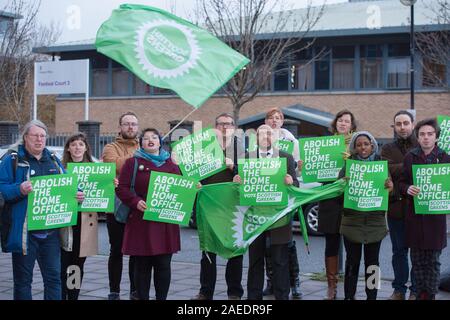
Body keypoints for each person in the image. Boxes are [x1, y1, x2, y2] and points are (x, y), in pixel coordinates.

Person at [0, 120, 84, 300]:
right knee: (23, 281)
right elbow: (2, 189)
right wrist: (19, 189)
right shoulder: (12, 159)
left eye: (42, 136)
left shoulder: (53, 159)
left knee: (54, 279)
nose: (39, 139)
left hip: (51, 234)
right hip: (25, 233)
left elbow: (69, 184)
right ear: (25, 138)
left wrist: (77, 194)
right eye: (35, 136)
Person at [234, 124, 299, 300]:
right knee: (255, 262)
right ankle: (253, 299)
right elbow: (237, 192)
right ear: (256, 138)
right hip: (254, 218)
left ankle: (282, 296)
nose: (266, 136)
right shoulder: (246, 159)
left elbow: (297, 188)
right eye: (262, 133)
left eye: (270, 133)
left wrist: (291, 181)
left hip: (279, 217)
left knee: (280, 261)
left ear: (275, 137)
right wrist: (236, 181)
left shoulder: (286, 157)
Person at [117, 128, 181, 300]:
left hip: (165, 221)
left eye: (154, 137)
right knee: (142, 265)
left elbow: (182, 187)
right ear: (141, 143)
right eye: (146, 138)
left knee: (163, 265)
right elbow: (121, 188)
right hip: (141, 220)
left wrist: (193, 187)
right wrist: (135, 201)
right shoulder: (132, 163)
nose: (150, 140)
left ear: (160, 142)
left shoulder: (172, 164)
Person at [192, 113, 245, 300]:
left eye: (229, 124)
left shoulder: (241, 150)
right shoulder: (204, 149)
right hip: (209, 205)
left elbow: (250, 174)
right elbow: (191, 172)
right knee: (208, 250)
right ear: (215, 127)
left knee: (235, 250)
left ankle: (234, 293)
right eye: (221, 124)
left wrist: (234, 169)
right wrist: (195, 182)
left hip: (233, 207)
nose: (225, 127)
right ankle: (205, 292)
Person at [399, 118, 449, 300]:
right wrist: (407, 189)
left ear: (436, 137)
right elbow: (401, 183)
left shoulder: (446, 158)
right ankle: (419, 294)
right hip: (415, 218)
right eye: (422, 134)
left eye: (430, 134)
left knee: (433, 262)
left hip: (436, 220)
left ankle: (431, 295)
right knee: (417, 262)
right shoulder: (410, 157)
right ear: (417, 137)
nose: (426, 138)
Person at [339, 131, 393, 300]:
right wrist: (343, 183)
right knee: (352, 262)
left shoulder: (382, 164)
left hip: (375, 222)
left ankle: (372, 296)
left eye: (366, 144)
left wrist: (390, 187)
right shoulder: (348, 165)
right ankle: (349, 295)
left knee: (373, 264)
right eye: (359, 144)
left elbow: (388, 192)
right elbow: (338, 191)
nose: (363, 147)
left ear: (372, 145)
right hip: (352, 221)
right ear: (354, 148)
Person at [60, 133, 111, 300]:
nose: (77, 147)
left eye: (80, 144)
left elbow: (103, 197)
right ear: (68, 148)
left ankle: (73, 296)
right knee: (62, 264)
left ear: (86, 148)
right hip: (64, 222)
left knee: (77, 265)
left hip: (84, 223)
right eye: (73, 144)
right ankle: (61, 294)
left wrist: (111, 184)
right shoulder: (60, 168)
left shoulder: (95, 170)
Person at [316, 109, 357, 300]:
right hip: (329, 199)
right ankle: (331, 286)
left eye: (346, 121)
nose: (343, 123)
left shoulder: (358, 144)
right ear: (335, 123)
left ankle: (349, 287)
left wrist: (352, 161)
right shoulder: (324, 144)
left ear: (352, 125)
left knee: (351, 245)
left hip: (350, 200)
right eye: (340, 120)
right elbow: (315, 170)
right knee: (331, 243)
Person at [262, 108, 302, 299]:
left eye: (278, 118)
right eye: (271, 118)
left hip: (283, 199)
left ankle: (294, 282)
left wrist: (295, 172)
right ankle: (271, 281)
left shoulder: (290, 141)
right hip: (263, 200)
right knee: (268, 245)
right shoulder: (261, 138)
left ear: (282, 121)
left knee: (286, 244)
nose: (274, 121)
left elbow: (296, 170)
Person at [102, 111, 140, 300]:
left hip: (137, 207)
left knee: (136, 251)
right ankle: (114, 291)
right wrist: (139, 156)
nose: (130, 127)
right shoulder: (111, 147)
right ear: (120, 127)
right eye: (126, 124)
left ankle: (135, 290)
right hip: (115, 208)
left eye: (133, 124)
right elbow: (115, 165)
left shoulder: (143, 147)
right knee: (116, 250)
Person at [381, 110, 418, 300]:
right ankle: (399, 290)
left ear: (412, 124)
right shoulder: (387, 148)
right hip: (396, 209)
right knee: (399, 252)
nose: (402, 127)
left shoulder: (421, 145)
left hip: (418, 209)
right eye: (398, 124)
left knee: (418, 253)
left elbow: (394, 169)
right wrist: (412, 164)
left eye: (406, 123)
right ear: (394, 127)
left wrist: (397, 167)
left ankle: (415, 290)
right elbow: (384, 169)